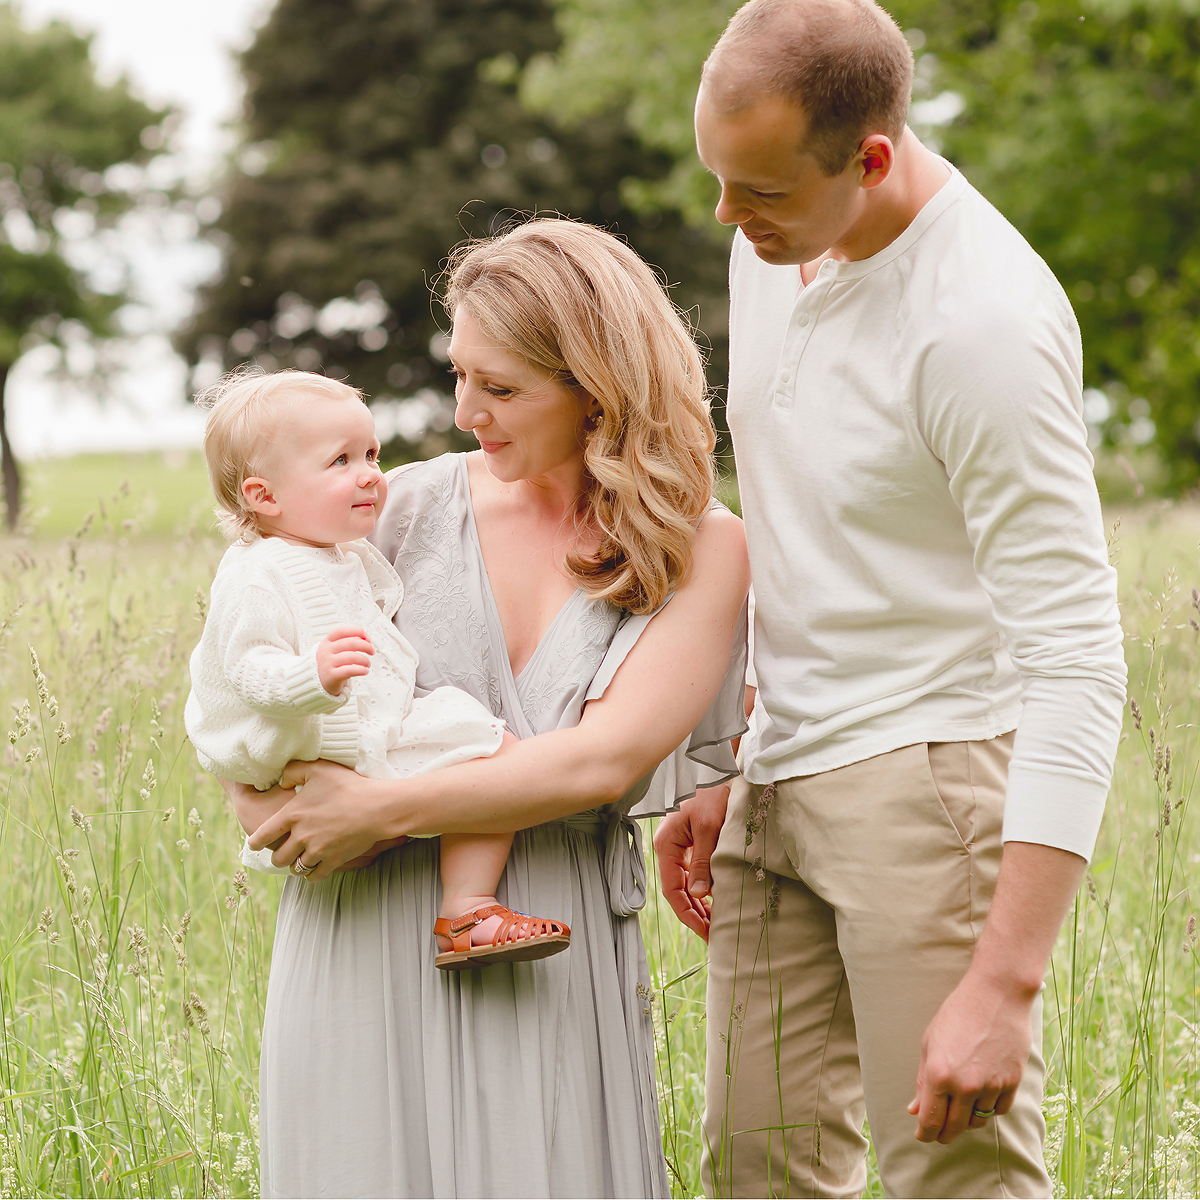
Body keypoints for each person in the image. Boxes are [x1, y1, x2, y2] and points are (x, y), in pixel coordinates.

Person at [652, 1, 1127, 1196]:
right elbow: (793, 522)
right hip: (778, 775)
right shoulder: (773, 228)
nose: (727, 217)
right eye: (720, 179)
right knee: (754, 1169)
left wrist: (1005, 985)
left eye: (756, 190)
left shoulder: (982, 328)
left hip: (928, 782)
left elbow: (1077, 656)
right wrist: (733, 750)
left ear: (870, 158)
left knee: (953, 1176)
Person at [228, 218, 751, 1198]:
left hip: (543, 939)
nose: (467, 411)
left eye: (502, 388)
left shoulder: (700, 547)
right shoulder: (389, 512)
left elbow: (602, 763)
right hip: (360, 925)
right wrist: (263, 804)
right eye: (459, 374)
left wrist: (373, 808)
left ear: (599, 387)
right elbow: (246, 669)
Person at [186, 367, 572, 970]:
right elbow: (244, 669)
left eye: (370, 452)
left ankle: (467, 907)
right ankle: (458, 903)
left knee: (492, 751)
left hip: (361, 731)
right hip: (322, 739)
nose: (370, 473)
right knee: (482, 757)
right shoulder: (256, 572)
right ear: (265, 497)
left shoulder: (340, 553)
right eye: (340, 460)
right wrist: (309, 677)